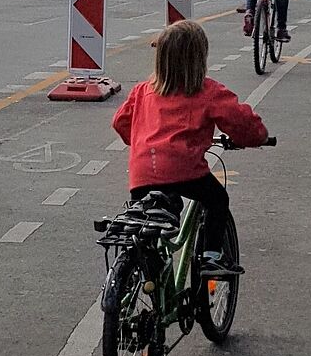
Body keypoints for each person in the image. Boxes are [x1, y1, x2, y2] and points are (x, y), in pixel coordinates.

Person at [111, 20, 269, 274]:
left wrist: (143, 141)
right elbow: (240, 122)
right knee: (217, 200)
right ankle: (211, 255)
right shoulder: (208, 91)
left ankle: (147, 278)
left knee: (147, 226)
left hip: (142, 173)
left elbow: (121, 123)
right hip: (185, 172)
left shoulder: (142, 91)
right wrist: (257, 137)